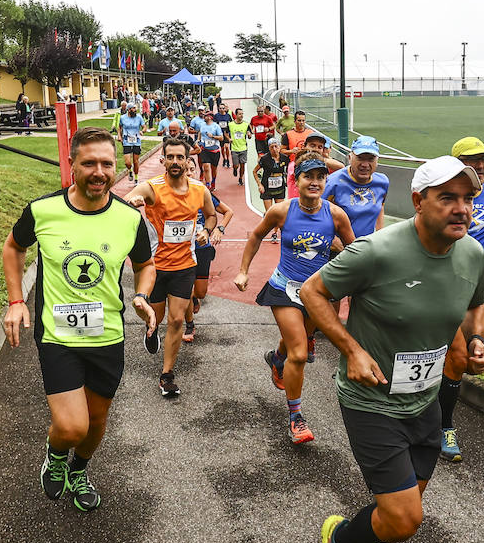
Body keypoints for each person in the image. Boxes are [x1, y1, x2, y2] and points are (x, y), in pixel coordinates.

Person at [303, 155, 484, 543]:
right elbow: (313, 291)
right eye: (447, 198)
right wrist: (352, 349)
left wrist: (476, 341)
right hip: (371, 400)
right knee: (405, 519)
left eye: (468, 198)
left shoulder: (471, 253)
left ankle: (347, 542)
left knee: (401, 511)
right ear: (418, 201)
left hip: (423, 399)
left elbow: (470, 307)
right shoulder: (376, 251)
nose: (461, 209)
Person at [1, 127, 158, 512]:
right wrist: (16, 300)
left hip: (107, 336)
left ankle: (79, 469)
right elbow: (13, 247)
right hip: (58, 337)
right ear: (72, 164)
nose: (99, 171)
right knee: (73, 426)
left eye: (106, 162)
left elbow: (145, 264)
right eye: (89, 163)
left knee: (96, 422)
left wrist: (140, 294)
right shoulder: (43, 211)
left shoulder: (128, 218)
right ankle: (56, 455)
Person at [235, 153, 356, 444]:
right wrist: (242, 271)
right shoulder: (281, 211)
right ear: (296, 180)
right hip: (285, 288)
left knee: (295, 343)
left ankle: (278, 360)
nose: (314, 182)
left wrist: (356, 281)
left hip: (318, 292)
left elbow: (355, 252)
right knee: (299, 353)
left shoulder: (336, 215)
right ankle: (296, 418)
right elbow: (255, 236)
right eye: (308, 177)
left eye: (320, 177)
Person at [124, 137, 221, 397]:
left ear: (188, 160)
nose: (175, 162)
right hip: (154, 268)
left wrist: (206, 231)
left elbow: (211, 215)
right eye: (171, 157)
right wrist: (132, 203)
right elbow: (127, 200)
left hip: (184, 265)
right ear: (163, 160)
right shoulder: (152, 188)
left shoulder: (200, 190)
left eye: (181, 157)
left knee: (176, 319)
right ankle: (149, 328)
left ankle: (167, 375)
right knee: (153, 316)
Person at [439, 136, 484, 461]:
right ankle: (444, 427)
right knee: (456, 356)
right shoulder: (444, 196)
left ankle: (436, 406)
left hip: (478, 281)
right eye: (473, 161)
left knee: (469, 352)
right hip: (444, 281)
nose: (482, 167)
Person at [182, 160, 235, 343]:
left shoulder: (202, 193)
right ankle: (189, 324)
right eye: (185, 170)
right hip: (181, 251)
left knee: (201, 292)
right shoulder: (172, 194)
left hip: (202, 248)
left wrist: (219, 229)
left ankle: (195, 299)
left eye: (192, 170)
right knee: (186, 289)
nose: (189, 173)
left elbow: (228, 212)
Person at [323, 136, 387, 239]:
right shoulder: (332, 183)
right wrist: (336, 243)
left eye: (371, 159)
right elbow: (317, 216)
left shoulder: (382, 182)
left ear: (377, 161)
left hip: (368, 247)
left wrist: (380, 236)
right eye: (360, 158)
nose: (365, 164)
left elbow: (380, 206)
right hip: (339, 250)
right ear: (350, 158)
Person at [255, 138, 292, 239]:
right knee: (270, 212)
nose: (274, 149)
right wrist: (259, 184)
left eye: (276, 146)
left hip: (279, 188)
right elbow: (255, 171)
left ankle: (275, 233)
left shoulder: (285, 158)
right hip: (267, 188)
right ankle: (266, 219)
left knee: (278, 212)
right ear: (269, 148)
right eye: (272, 147)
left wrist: (288, 180)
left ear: (280, 147)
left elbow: (290, 170)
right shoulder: (264, 159)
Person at [193, 109, 225, 190]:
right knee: (206, 166)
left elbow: (221, 138)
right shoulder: (202, 125)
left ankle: (213, 182)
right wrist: (198, 140)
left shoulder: (216, 126)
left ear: (210, 117)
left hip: (215, 150)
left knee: (214, 169)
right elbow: (200, 132)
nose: (204, 116)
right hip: (204, 149)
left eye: (206, 115)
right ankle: (208, 183)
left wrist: (213, 136)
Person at [115, 103, 146, 182]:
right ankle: (130, 170)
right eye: (133, 108)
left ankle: (136, 178)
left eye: (135, 108)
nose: (135, 110)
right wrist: (119, 136)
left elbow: (144, 127)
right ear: (129, 110)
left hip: (136, 141)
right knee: (127, 162)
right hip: (126, 141)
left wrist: (142, 131)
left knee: (135, 162)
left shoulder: (139, 117)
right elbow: (119, 127)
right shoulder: (123, 118)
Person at [227, 107, 251, 186]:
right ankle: (235, 168)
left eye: (242, 114)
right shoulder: (230, 124)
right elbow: (225, 133)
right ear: (236, 115)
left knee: (242, 165)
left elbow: (249, 133)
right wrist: (229, 138)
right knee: (236, 165)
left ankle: (240, 178)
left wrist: (249, 135)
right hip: (234, 148)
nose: (241, 115)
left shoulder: (246, 124)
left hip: (243, 148)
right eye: (240, 114)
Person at [214, 103, 233, 168]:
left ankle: (228, 160)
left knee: (227, 147)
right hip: (220, 134)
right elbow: (215, 124)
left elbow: (231, 124)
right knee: (222, 148)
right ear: (218, 109)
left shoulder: (228, 116)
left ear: (225, 109)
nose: (222, 109)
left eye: (223, 108)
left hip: (227, 133)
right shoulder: (216, 116)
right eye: (220, 108)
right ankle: (224, 159)